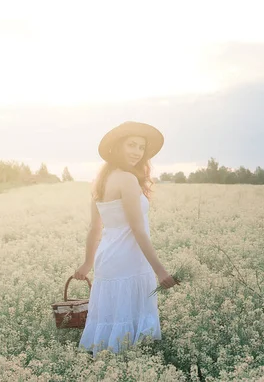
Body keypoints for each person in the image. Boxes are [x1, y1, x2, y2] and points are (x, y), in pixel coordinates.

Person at [73, 121, 178, 358]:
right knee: (129, 328)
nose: (137, 152)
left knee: (111, 320)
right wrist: (160, 271)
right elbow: (138, 230)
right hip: (130, 261)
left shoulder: (99, 181)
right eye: (131, 145)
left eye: (141, 147)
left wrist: (88, 263)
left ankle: (108, 367)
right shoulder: (127, 180)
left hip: (108, 261)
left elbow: (94, 228)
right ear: (117, 147)